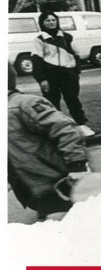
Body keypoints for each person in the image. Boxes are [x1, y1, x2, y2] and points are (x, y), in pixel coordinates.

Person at [7, 64, 90, 220]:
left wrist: (77, 165)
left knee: (63, 228)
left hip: (55, 184)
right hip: (33, 189)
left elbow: (67, 130)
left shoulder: (23, 105)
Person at [30, 11, 94, 137]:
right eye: (47, 20)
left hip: (68, 75)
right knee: (52, 102)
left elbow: (76, 54)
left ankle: (81, 125)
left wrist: (76, 71)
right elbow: (36, 60)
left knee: (73, 100)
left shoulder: (67, 37)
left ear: (57, 21)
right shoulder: (39, 40)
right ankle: (58, 129)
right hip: (50, 77)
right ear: (42, 23)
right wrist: (42, 79)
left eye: (53, 20)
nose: (51, 22)